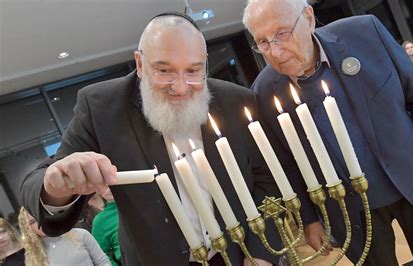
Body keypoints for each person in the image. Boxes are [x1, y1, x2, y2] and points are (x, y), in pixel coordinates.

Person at [20, 12, 289, 265]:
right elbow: (38, 183)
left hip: (239, 254)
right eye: (164, 71)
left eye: (193, 71)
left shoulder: (237, 101)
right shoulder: (102, 106)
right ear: (140, 63)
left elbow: (266, 179)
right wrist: (55, 186)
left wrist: (260, 252)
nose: (181, 87)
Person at [243, 0, 413, 265]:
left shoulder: (365, 34)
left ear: (308, 18)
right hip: (349, 210)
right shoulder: (265, 92)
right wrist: (309, 219)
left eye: (282, 33)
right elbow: (288, 164)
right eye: (262, 42)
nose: (276, 51)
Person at [18, 207, 110, 266]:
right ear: (28, 228)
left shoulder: (80, 234)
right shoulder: (33, 254)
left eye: (40, 217)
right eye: (33, 222)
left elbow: (103, 262)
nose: (40, 224)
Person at [92, 188, 121, 266]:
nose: (108, 189)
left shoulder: (142, 205)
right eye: (103, 185)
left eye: (111, 184)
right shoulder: (100, 220)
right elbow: (100, 255)